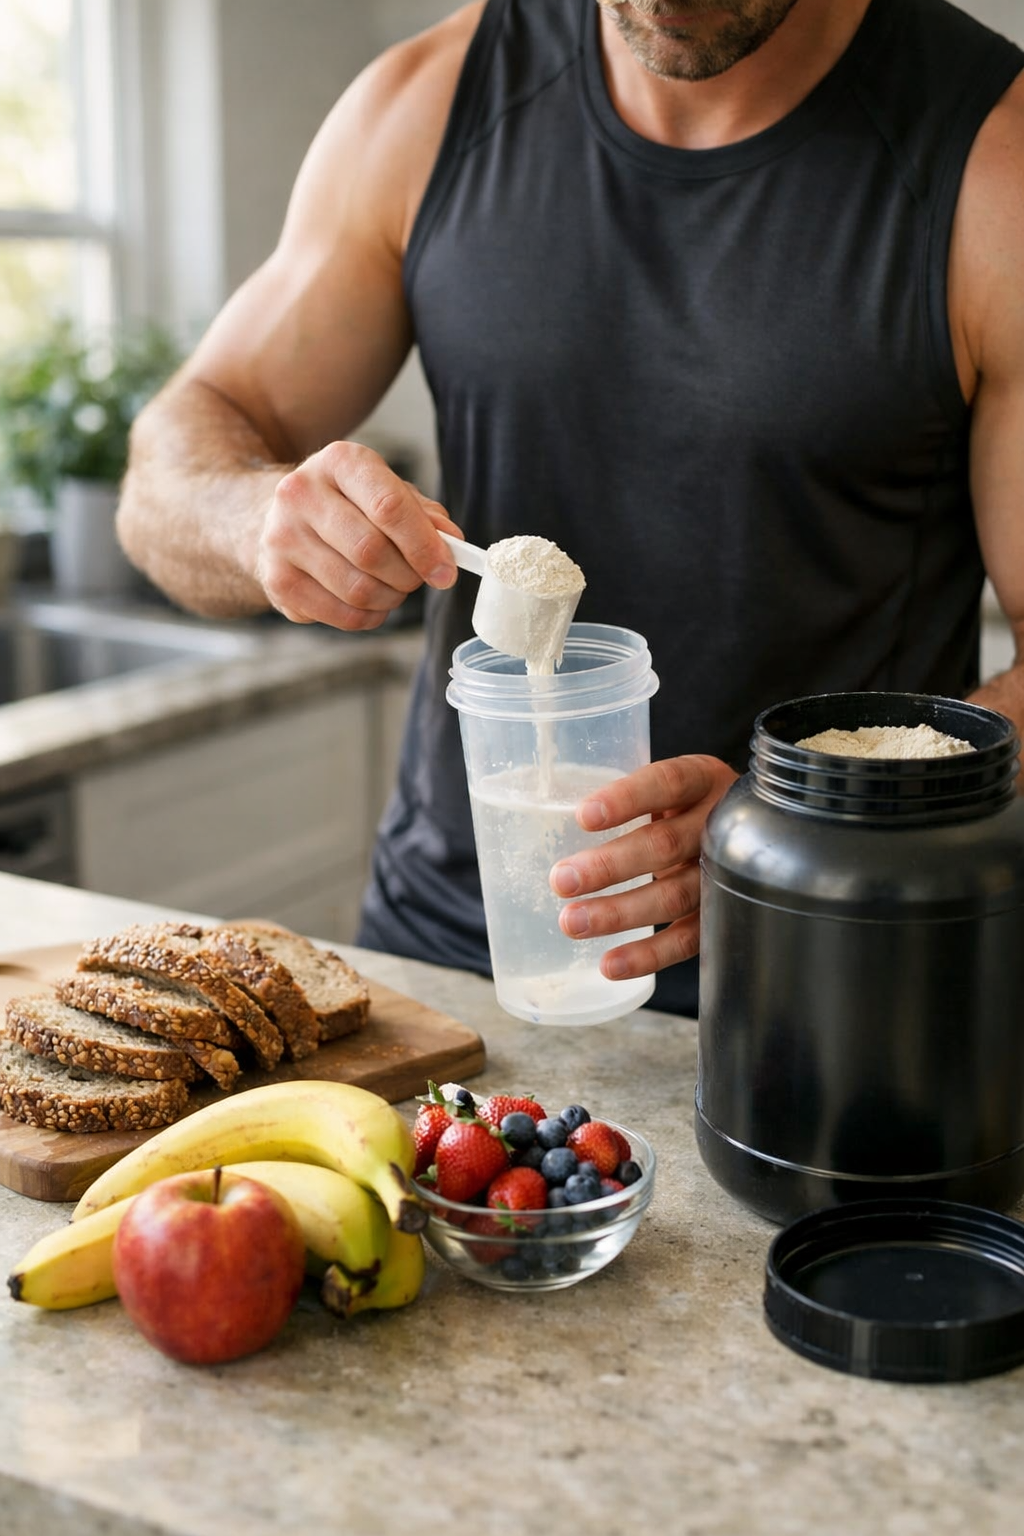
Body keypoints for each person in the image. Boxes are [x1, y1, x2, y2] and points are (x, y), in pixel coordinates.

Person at [118, 0, 1024, 1017]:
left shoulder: (996, 164)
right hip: (443, 969)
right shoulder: (422, 108)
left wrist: (812, 815)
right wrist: (253, 519)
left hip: (827, 993)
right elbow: (168, 467)